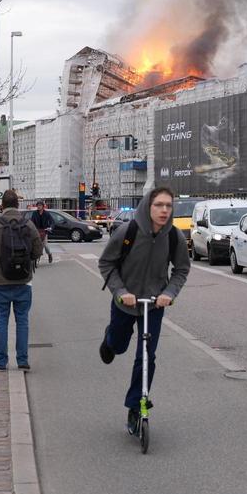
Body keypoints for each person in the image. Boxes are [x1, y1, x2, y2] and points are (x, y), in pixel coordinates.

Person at [97, 187, 190, 436]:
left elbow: (181, 269)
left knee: (146, 356)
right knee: (118, 346)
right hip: (125, 303)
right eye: (159, 205)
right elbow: (106, 263)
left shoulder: (174, 236)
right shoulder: (127, 231)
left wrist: (168, 294)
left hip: (153, 304)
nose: (164, 210)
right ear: (148, 206)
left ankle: (136, 406)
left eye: (168, 206)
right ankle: (109, 341)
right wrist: (120, 291)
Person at [0, 189, 43, 371]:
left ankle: (1, 362)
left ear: (2, 206)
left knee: (1, 321)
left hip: (0, 281)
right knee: (22, 321)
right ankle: (22, 361)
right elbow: (38, 251)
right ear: (17, 204)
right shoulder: (28, 224)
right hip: (23, 280)